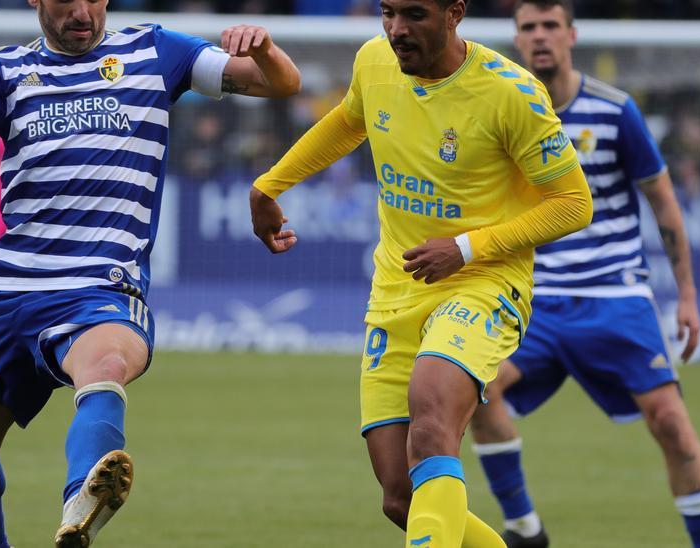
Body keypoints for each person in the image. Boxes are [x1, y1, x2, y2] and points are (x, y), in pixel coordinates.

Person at [0, 0, 300, 545]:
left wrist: (262, 47)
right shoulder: (3, 70)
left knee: (105, 362)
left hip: (99, 283)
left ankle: (83, 500)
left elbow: (281, 84)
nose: (81, 11)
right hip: (12, 289)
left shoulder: (155, 50)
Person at [248, 1, 591, 547]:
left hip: (484, 281)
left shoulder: (512, 92)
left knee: (432, 422)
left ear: (454, 13)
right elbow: (347, 121)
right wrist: (270, 184)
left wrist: (467, 246)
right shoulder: (374, 60)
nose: (396, 30)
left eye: (414, 15)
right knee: (400, 497)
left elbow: (574, 203)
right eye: (388, 13)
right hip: (398, 289)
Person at [467, 2, 700, 547]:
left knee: (672, 425)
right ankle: (526, 529)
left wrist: (688, 296)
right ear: (516, 39)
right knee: (472, 394)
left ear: (571, 35)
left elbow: (665, 203)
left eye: (550, 26)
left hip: (614, 294)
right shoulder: (503, 110)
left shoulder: (615, 110)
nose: (540, 38)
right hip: (534, 295)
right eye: (528, 28)